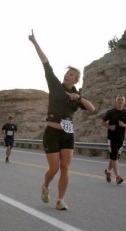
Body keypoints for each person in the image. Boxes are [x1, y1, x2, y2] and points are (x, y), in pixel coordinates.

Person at [29, 29, 96, 210]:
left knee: (65, 168)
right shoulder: (55, 86)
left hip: (67, 133)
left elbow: (92, 110)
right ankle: (45, 186)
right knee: (54, 169)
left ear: (76, 80)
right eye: (67, 73)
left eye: (72, 75)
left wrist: (79, 98)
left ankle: (60, 200)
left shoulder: (77, 95)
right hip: (51, 132)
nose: (68, 76)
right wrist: (35, 43)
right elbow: (45, 63)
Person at [102, 94, 126, 184]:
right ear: (116, 101)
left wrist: (124, 125)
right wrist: (109, 126)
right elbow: (103, 122)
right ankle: (118, 177)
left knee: (114, 157)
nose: (120, 101)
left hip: (121, 139)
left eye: (122, 100)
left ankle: (108, 171)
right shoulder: (110, 112)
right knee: (115, 157)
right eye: (118, 99)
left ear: (124, 102)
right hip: (111, 138)